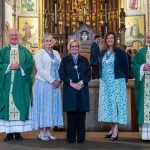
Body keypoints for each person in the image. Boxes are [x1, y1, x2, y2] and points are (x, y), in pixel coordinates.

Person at [0, 28, 34, 141]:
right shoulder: (3, 51)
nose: (14, 37)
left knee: (19, 106)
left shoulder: (25, 51)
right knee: (8, 106)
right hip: (7, 84)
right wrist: (9, 66)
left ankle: (18, 133)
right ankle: (9, 133)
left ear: (18, 37)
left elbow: (30, 64)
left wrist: (21, 66)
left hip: (20, 85)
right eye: (12, 35)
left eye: (16, 35)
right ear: (8, 37)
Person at [31, 34, 63, 141]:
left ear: (53, 42)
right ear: (43, 42)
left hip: (55, 85)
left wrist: (59, 80)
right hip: (42, 83)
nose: (48, 43)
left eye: (50, 41)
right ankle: (41, 132)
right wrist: (52, 80)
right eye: (46, 41)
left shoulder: (56, 53)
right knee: (42, 107)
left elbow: (60, 67)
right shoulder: (39, 53)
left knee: (52, 108)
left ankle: (48, 131)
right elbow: (40, 70)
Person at [59, 39, 91, 144]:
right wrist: (71, 83)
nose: (74, 48)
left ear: (79, 47)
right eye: (72, 46)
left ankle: (81, 138)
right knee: (71, 114)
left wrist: (81, 83)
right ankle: (70, 138)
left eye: (76, 46)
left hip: (81, 90)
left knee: (81, 114)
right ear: (69, 48)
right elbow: (62, 74)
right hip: (70, 89)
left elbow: (88, 74)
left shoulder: (84, 60)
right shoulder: (65, 60)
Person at [98, 32, 129, 141]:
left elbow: (126, 67)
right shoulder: (102, 52)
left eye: (111, 38)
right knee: (108, 105)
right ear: (105, 40)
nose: (109, 40)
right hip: (105, 83)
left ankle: (115, 130)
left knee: (115, 105)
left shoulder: (120, 53)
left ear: (114, 40)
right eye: (108, 38)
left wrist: (123, 79)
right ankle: (112, 128)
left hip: (116, 82)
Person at [131, 31, 150, 140]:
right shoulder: (141, 52)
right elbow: (134, 66)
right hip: (144, 86)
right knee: (145, 108)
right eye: (147, 37)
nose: (149, 39)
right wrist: (143, 67)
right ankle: (146, 136)